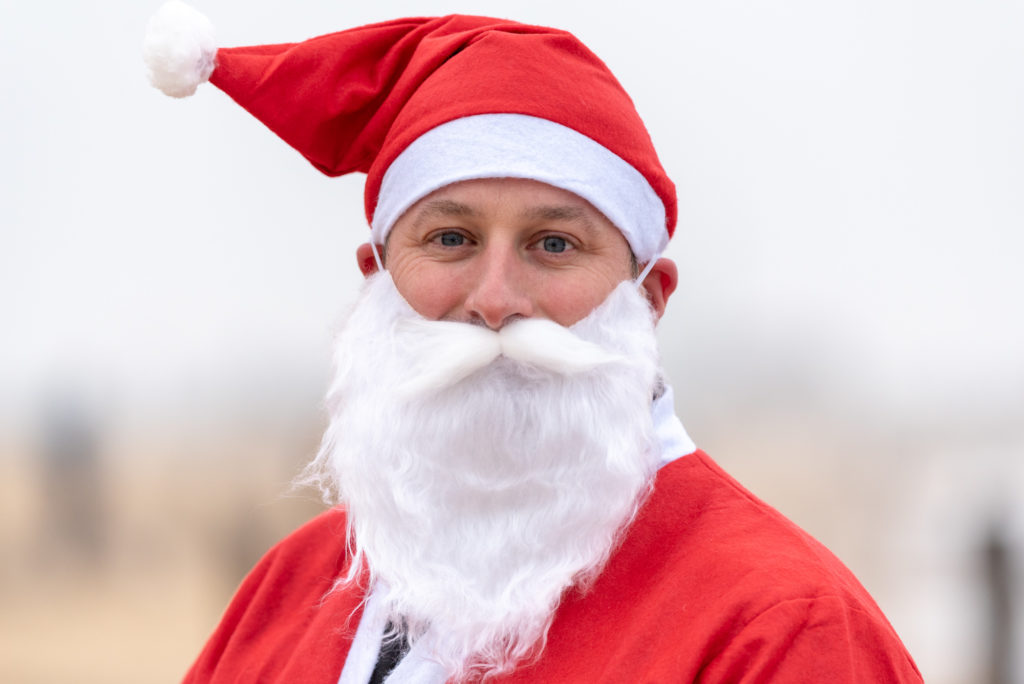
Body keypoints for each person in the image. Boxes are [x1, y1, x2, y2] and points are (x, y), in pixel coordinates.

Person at [145, 2, 923, 682]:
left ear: (648, 300)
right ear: (375, 281)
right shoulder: (291, 589)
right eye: (450, 238)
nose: (493, 302)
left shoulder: (781, 628)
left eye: (553, 245)